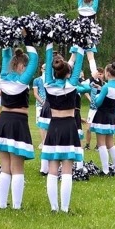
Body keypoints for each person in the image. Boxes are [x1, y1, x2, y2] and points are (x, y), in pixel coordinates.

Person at [0, 43, 38, 210]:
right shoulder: (22, 80)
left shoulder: (3, 77)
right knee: (17, 168)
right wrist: (29, 42)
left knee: (5, 167)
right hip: (18, 123)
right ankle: (16, 206)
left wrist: (5, 43)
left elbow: (5, 56)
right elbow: (35, 60)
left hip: (3, 121)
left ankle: (2, 204)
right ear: (22, 65)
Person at [43, 44, 85, 213]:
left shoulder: (47, 84)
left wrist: (49, 44)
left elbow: (47, 64)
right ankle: (65, 208)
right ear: (69, 72)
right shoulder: (72, 84)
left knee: (52, 168)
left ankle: (54, 207)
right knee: (67, 169)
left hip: (54, 127)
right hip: (69, 126)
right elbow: (79, 63)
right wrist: (81, 44)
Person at [91, 62, 115, 174]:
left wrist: (97, 93)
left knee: (101, 143)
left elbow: (98, 103)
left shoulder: (106, 87)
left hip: (102, 117)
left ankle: (105, 170)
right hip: (111, 116)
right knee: (111, 144)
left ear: (108, 73)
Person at [76, 0, 103, 74]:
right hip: (89, 35)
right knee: (90, 57)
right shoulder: (93, 8)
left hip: (78, 34)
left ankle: (64, 74)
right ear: (91, 1)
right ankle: (94, 74)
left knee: (73, 56)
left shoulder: (80, 7)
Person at [84, 67, 104, 150]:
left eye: (101, 74)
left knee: (99, 128)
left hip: (100, 109)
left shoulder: (105, 85)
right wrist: (90, 99)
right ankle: (87, 145)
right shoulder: (91, 82)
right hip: (92, 108)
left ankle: (98, 145)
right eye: (98, 73)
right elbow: (84, 89)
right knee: (88, 128)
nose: (99, 75)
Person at [32, 64, 47, 149]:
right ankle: (43, 142)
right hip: (40, 104)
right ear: (41, 69)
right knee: (41, 124)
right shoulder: (37, 80)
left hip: (50, 104)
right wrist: (42, 102)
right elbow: (35, 93)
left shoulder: (52, 80)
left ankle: (48, 142)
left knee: (49, 123)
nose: (45, 70)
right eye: (43, 68)